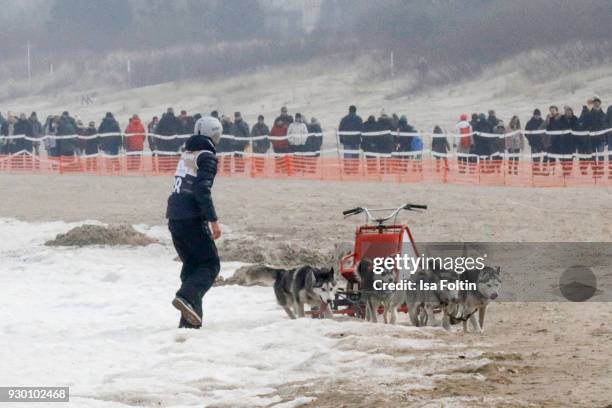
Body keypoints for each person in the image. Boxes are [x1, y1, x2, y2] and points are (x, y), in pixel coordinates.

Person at [167, 116, 222, 329]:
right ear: (211, 135)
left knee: (192, 268)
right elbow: (202, 190)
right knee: (210, 264)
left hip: (174, 217)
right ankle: (186, 296)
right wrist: (213, 220)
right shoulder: (207, 157)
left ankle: (189, 323)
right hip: (191, 218)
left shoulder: (187, 153)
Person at [338, 105, 363, 174]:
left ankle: (347, 170)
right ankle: (355, 169)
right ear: (355, 110)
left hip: (347, 139)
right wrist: (362, 139)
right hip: (356, 139)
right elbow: (362, 129)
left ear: (349, 110)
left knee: (347, 155)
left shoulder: (344, 119)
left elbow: (340, 129)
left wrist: (341, 139)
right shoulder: (359, 119)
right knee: (355, 155)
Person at [558, 106, 579, 177]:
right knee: (563, 157)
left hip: (572, 141)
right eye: (566, 111)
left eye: (569, 111)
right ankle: (564, 171)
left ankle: (569, 172)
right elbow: (559, 127)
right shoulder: (561, 118)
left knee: (570, 158)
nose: (568, 112)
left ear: (571, 112)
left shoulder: (575, 118)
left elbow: (577, 128)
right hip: (563, 141)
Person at [525, 109, 544, 174]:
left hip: (541, 142)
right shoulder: (529, 122)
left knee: (540, 156)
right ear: (533, 115)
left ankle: (539, 169)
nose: (537, 116)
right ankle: (536, 170)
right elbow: (526, 133)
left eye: (538, 115)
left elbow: (545, 131)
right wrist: (530, 139)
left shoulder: (542, 121)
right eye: (536, 115)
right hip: (533, 143)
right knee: (535, 157)